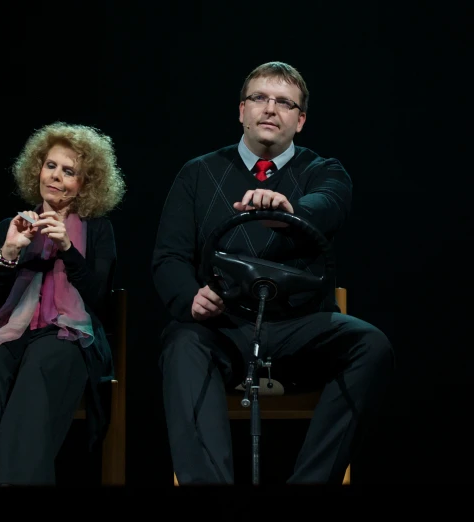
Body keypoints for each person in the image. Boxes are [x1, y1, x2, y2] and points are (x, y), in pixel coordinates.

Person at [152, 61, 394, 484]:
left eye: (284, 103)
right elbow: (168, 257)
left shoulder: (324, 171)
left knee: (371, 346)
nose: (270, 109)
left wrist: (289, 212)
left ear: (299, 121)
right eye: (260, 98)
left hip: (298, 327)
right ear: (241, 110)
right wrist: (191, 296)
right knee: (181, 342)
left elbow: (329, 205)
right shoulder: (197, 173)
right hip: (223, 326)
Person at [0, 122, 126, 486]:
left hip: (71, 338)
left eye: (68, 171)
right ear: (36, 167)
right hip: (14, 332)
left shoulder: (99, 230)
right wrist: (8, 253)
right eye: (50, 165)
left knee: (44, 359)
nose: (55, 177)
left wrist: (69, 250)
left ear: (85, 184)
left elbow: (100, 303)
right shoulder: (13, 226)